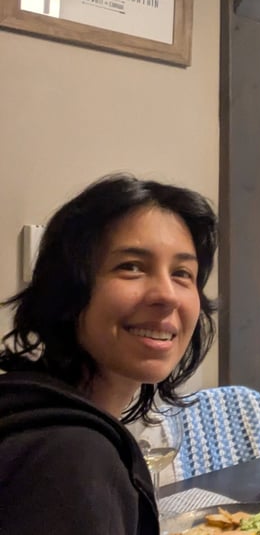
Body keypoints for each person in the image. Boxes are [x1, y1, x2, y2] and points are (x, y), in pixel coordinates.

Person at [0, 174, 218, 535]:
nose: (167, 295)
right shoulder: (71, 456)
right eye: (131, 266)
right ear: (68, 288)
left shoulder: (34, 412)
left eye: (182, 273)